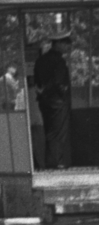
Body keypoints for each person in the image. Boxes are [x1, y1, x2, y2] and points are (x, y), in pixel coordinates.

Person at [33, 32, 73, 168]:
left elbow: (37, 80)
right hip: (58, 102)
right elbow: (58, 81)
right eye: (66, 43)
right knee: (58, 133)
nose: (68, 47)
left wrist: (42, 92)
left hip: (45, 102)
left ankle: (51, 161)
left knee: (49, 132)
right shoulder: (59, 61)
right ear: (58, 44)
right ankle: (55, 162)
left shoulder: (40, 60)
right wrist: (61, 92)